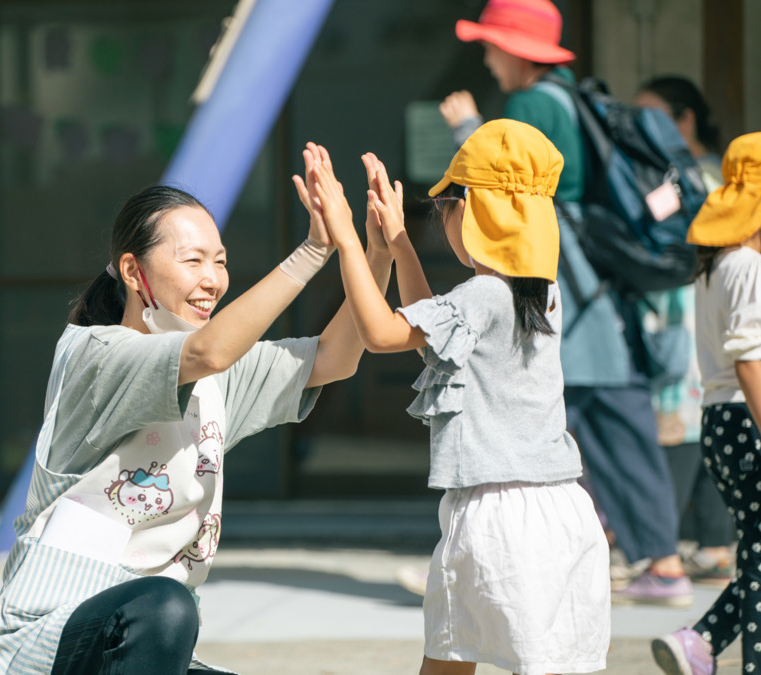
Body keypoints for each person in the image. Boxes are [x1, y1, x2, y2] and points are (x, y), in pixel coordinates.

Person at [0, 146, 395, 675]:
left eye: (219, 261)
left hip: (151, 646)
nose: (213, 279)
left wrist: (376, 253)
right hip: (49, 640)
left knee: (167, 613)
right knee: (163, 606)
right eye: (192, 260)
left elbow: (334, 359)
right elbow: (208, 351)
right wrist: (312, 251)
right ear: (133, 270)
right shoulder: (95, 354)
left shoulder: (218, 375)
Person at [313, 119, 610, 675]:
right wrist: (400, 244)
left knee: (449, 662)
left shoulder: (483, 296)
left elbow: (381, 334)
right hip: (562, 506)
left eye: (445, 206)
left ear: (473, 211)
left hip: (495, 512)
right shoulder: (541, 295)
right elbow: (437, 335)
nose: (441, 219)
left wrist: (348, 239)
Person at [430, 0, 693, 607]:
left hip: (564, 274)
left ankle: (663, 560)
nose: (488, 58)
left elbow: (511, 182)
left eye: (491, 45)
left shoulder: (531, 104)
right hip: (583, 275)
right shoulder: (568, 94)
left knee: (601, 405)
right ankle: (633, 553)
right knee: (592, 412)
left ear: (516, 51)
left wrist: (466, 131)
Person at [651, 131, 761, 675]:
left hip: (721, 420)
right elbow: (750, 359)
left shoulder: (718, 265)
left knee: (758, 547)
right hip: (749, 419)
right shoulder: (749, 267)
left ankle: (699, 643)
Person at [635, 75, 735, 586]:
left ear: (684, 120)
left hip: (694, 318)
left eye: (651, 116)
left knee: (679, 424)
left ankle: (664, 551)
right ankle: (715, 546)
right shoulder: (699, 176)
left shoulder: (693, 180)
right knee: (707, 419)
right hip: (701, 321)